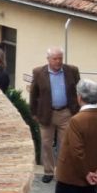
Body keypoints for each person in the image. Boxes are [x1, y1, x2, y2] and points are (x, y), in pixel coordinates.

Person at [30, 47, 81, 184]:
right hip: (47, 113)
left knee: (65, 144)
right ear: (48, 59)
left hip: (66, 113)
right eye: (55, 59)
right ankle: (48, 171)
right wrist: (34, 113)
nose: (58, 61)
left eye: (60, 58)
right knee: (46, 144)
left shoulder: (72, 70)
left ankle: (63, 171)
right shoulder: (38, 72)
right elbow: (34, 94)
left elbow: (79, 90)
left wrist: (77, 109)